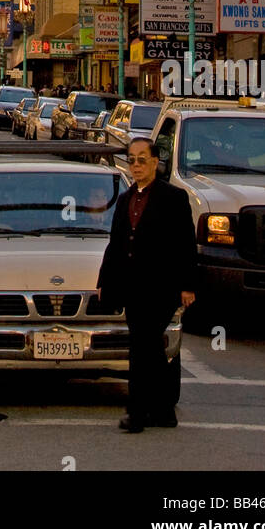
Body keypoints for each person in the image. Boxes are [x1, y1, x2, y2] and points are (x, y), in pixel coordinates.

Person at [97, 137, 197, 433]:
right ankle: (164, 411)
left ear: (155, 162)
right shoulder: (126, 199)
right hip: (133, 288)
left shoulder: (173, 198)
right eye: (132, 159)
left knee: (142, 347)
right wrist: (105, 280)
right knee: (150, 348)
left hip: (162, 288)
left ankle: (137, 413)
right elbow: (115, 244)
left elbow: (185, 245)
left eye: (142, 159)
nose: (137, 165)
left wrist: (187, 285)